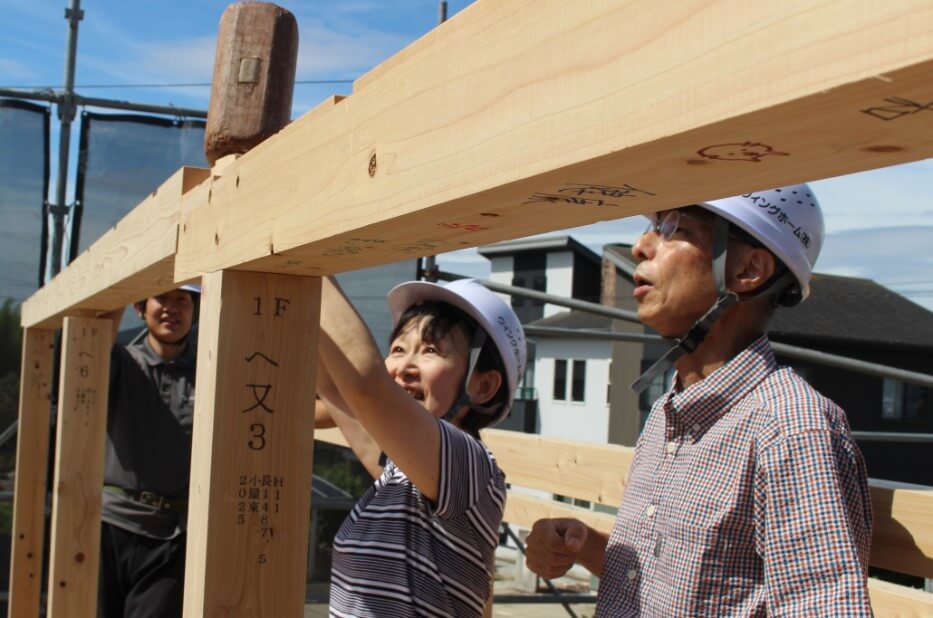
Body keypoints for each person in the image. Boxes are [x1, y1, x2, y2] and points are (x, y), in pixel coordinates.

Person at [524, 185, 873, 615]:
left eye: (676, 228)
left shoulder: (793, 430)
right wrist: (582, 543)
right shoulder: (669, 412)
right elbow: (680, 582)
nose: (640, 246)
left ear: (748, 268)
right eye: (654, 227)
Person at [314, 276, 526, 617]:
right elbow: (336, 389)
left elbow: (365, 387)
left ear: (484, 386)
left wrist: (305, 258)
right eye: (398, 348)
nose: (403, 368)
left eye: (431, 350)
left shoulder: (471, 469)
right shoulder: (398, 473)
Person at [98, 284, 199, 618]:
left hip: (171, 535)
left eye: (182, 301)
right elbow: (93, 340)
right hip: (111, 524)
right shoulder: (123, 362)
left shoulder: (210, 372)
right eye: (163, 299)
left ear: (195, 311)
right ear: (139, 308)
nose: (172, 308)